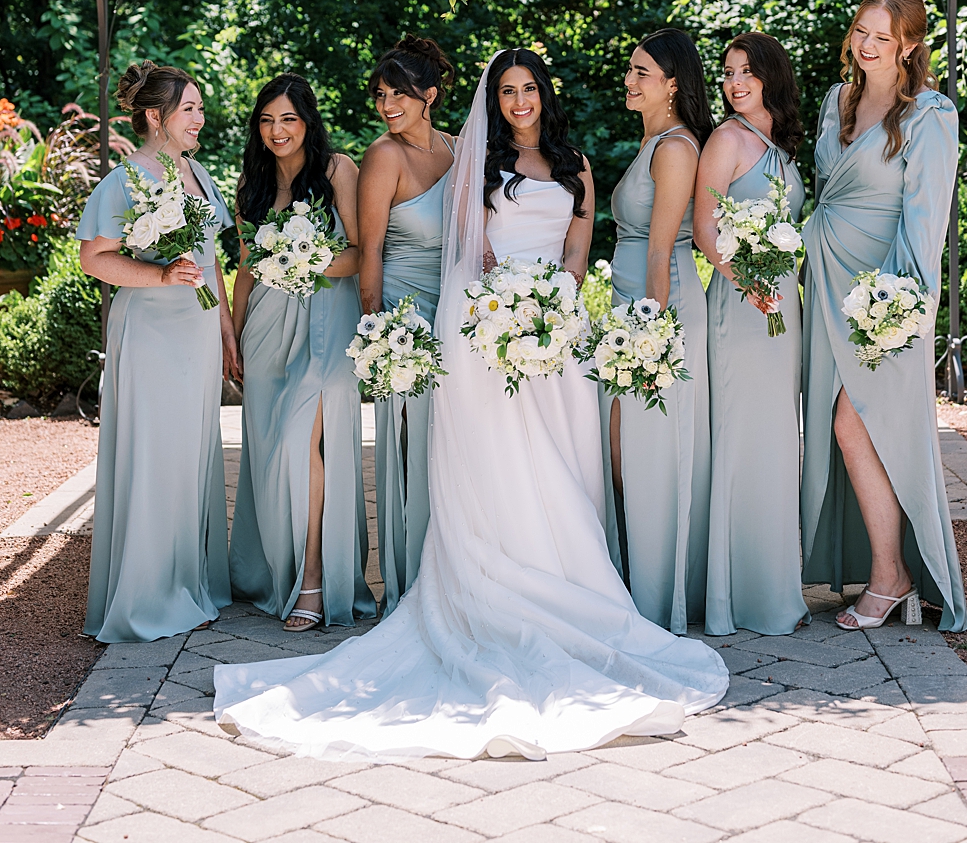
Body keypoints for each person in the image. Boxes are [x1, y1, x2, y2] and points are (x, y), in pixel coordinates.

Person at [215, 49, 728, 759]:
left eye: (529, 89)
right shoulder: (476, 166)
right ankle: (493, 588)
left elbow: (577, 252)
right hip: (487, 330)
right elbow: (467, 254)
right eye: (508, 91)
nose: (519, 102)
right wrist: (501, 315)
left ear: (545, 95)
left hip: (557, 335)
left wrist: (553, 308)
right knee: (502, 471)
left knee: (567, 466)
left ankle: (575, 585)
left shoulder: (576, 164)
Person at [802, 0, 966, 631]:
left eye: (882, 37)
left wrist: (898, 308)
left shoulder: (930, 114)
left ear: (909, 45)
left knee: (856, 423)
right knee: (837, 424)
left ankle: (892, 575)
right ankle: (878, 568)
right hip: (827, 283)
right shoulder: (836, 101)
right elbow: (823, 192)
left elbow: (925, 222)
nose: (867, 46)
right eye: (860, 32)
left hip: (883, 295)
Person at [78, 63, 235, 642]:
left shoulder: (197, 172)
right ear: (155, 116)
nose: (199, 118)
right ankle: (148, 596)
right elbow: (94, 259)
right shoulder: (125, 181)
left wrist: (225, 329)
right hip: (150, 332)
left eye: (199, 108)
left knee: (191, 456)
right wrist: (161, 275)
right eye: (189, 108)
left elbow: (211, 261)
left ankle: (187, 581)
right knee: (156, 455)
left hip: (196, 332)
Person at [226, 74, 370, 631]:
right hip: (265, 325)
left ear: (308, 122)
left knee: (298, 439)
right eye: (266, 120)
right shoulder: (251, 183)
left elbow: (359, 252)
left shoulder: (338, 171)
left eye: (288, 119)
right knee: (269, 449)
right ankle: (274, 569)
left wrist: (305, 259)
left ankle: (314, 577)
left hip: (326, 319)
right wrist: (233, 333)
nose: (277, 130)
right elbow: (246, 266)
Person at [695, 31, 809, 635]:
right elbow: (703, 228)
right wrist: (747, 283)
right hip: (743, 303)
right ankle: (734, 595)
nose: (734, 83)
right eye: (728, 72)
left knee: (777, 438)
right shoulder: (726, 139)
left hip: (783, 304)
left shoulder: (782, 145)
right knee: (742, 436)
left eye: (746, 72)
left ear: (770, 76)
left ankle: (774, 588)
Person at [603, 29, 714, 632]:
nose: (629, 79)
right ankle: (636, 577)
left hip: (658, 307)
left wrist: (652, 333)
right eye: (630, 69)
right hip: (631, 305)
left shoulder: (675, 148)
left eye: (641, 72)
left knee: (642, 452)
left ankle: (656, 592)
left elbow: (662, 250)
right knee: (624, 451)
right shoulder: (650, 142)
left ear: (672, 84)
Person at [354, 37, 457, 611]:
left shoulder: (459, 148)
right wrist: (375, 331)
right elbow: (369, 251)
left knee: (452, 444)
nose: (387, 105)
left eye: (399, 94)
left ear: (430, 97)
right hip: (403, 318)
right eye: (380, 95)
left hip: (455, 313)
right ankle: (409, 581)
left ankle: (453, 571)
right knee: (408, 446)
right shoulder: (383, 156)